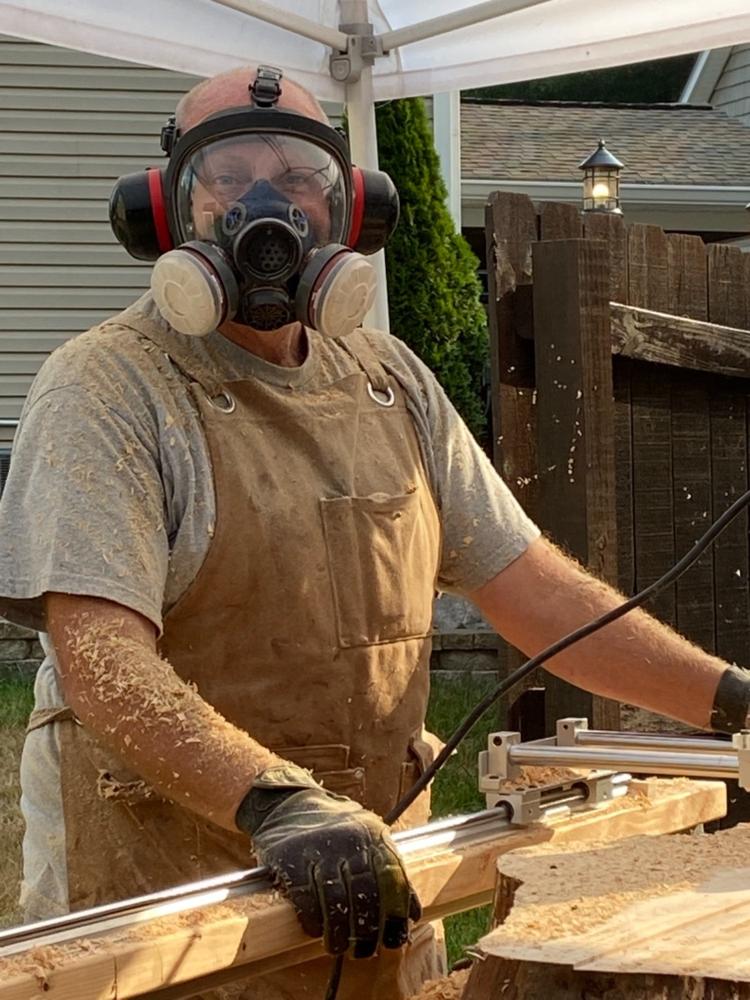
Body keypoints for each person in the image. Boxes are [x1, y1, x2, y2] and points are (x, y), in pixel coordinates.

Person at [0, 64, 748, 1000]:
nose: (265, 207)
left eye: (300, 177)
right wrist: (272, 802)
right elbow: (102, 660)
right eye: (228, 177)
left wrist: (730, 700)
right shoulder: (108, 386)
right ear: (166, 212)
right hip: (174, 889)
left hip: (374, 865)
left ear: (354, 209)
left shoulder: (391, 377)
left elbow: (532, 588)